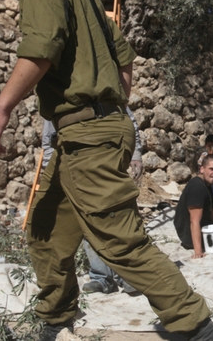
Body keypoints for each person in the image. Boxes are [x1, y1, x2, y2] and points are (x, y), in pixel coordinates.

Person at [0, 0, 213, 341]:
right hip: (89, 131)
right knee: (46, 229)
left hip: (89, 134)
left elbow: (42, 47)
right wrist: (113, 102)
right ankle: (55, 321)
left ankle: (197, 327)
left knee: (118, 241)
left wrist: (1, 109)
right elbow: (124, 54)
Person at [41, 108, 141, 295]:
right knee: (88, 224)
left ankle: (127, 275)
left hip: (107, 166)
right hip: (76, 172)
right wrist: (51, 171)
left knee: (118, 221)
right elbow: (48, 139)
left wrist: (135, 154)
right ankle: (102, 278)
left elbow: (127, 121)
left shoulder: (104, 89)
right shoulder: (58, 100)